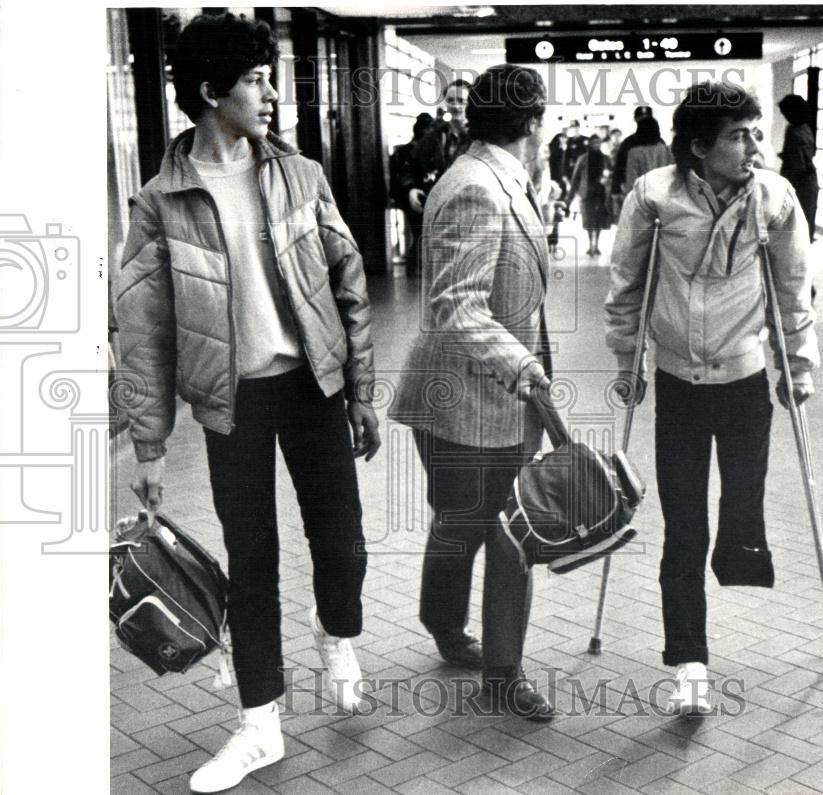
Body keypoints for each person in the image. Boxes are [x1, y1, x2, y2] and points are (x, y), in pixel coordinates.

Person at [115, 13, 381, 791]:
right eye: (255, 79)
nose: (270, 92)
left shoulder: (301, 173)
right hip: (231, 401)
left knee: (345, 546)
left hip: (311, 385)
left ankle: (336, 629)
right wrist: (151, 446)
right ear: (208, 93)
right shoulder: (159, 202)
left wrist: (361, 391)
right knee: (252, 561)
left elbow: (350, 282)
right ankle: (259, 724)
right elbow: (145, 332)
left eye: (269, 76)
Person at [604, 81, 819, 716]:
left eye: (758, 131)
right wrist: (628, 362)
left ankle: (742, 554)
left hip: (746, 382)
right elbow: (626, 287)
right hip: (678, 387)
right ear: (700, 147)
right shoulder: (655, 196)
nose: (756, 146)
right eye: (740, 135)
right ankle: (689, 660)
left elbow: (794, 291)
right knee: (683, 526)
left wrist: (797, 368)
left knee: (742, 508)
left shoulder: (774, 197)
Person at [388, 63, 556, 722]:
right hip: (472, 394)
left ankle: (447, 624)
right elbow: (459, 303)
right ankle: (501, 671)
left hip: (485, 394)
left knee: (466, 521)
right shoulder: (478, 188)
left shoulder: (495, 177)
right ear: (534, 122)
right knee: (507, 531)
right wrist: (521, 366)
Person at [409, 78, 472, 207]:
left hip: (468, 202)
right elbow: (413, 164)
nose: (455, 106)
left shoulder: (480, 138)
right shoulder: (434, 134)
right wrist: (412, 188)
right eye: (450, 100)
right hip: (436, 202)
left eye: (461, 101)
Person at [389, 112, 435, 276]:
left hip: (408, 196)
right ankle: (417, 268)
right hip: (420, 195)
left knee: (419, 233)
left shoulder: (403, 150)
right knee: (422, 233)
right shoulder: (420, 150)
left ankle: (414, 268)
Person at [777, 93, 820, 243]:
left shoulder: (793, 131)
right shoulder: (806, 128)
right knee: (807, 216)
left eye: (785, 113)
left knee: (796, 220)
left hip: (799, 181)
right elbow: (809, 152)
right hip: (809, 180)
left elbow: (797, 163)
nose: (784, 117)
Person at [567, 133, 613, 256]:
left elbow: (612, 174)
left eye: (598, 142)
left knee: (599, 220)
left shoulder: (606, 159)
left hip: (601, 193)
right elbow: (575, 178)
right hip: (586, 193)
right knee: (588, 220)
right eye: (594, 142)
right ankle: (590, 245)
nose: (596, 145)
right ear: (590, 144)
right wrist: (570, 197)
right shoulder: (583, 159)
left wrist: (608, 181)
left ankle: (596, 245)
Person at [622, 115, 673, 195]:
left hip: (644, 198)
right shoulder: (668, 150)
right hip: (665, 196)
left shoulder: (634, 153)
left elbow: (632, 182)